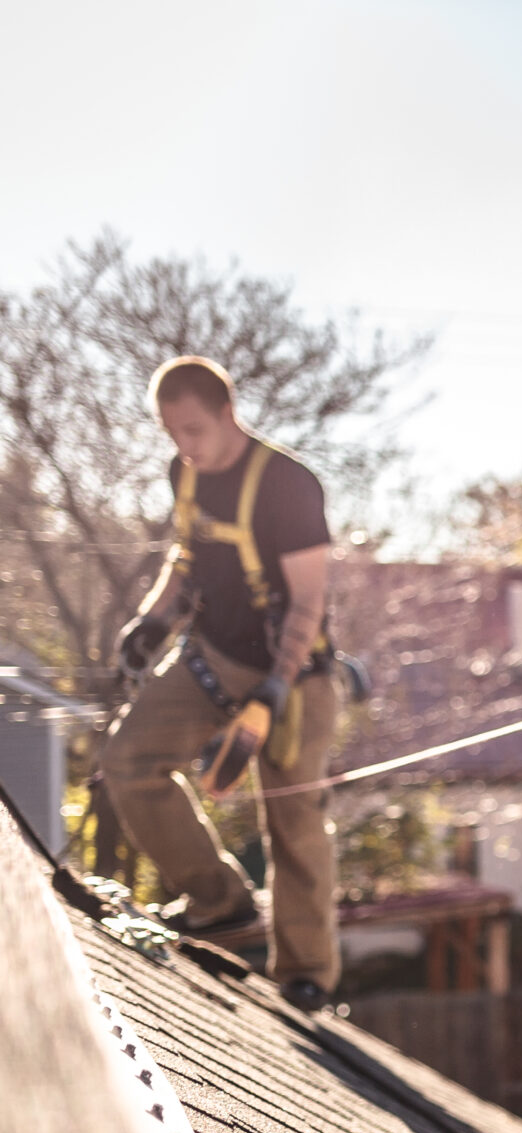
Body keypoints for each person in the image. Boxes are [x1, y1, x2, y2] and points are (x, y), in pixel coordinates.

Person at [104, 356, 342, 1013]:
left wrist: (275, 689)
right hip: (211, 658)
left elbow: (308, 601)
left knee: (293, 822)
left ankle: (306, 978)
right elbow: (185, 558)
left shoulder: (289, 485)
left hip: (295, 677)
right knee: (129, 761)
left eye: (194, 429)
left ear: (227, 413)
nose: (185, 445)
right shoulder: (185, 472)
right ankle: (220, 903)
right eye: (172, 432)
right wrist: (151, 621)